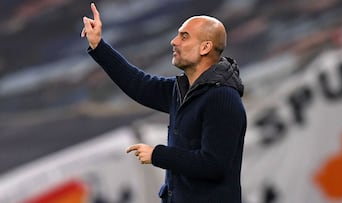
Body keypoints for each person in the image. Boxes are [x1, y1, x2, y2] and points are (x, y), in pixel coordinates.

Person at [81, 3, 247, 203]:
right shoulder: (181, 91)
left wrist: (157, 155)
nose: (174, 41)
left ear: (205, 47)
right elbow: (139, 85)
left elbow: (214, 165)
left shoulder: (222, 98)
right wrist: (99, 46)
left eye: (184, 36)